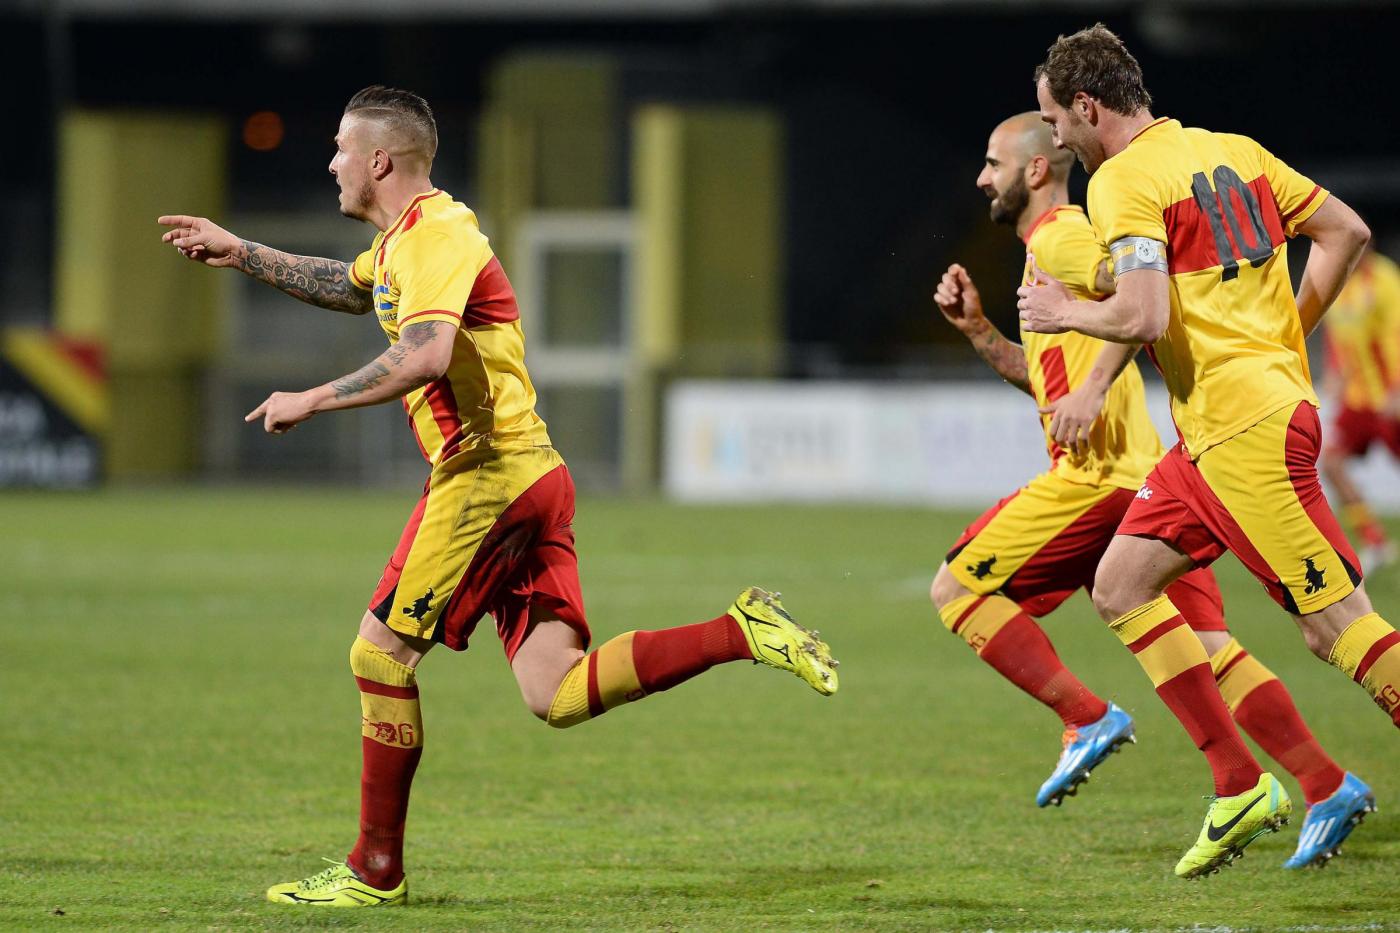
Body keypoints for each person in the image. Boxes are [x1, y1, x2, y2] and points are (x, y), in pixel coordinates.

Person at [159, 85, 838, 908]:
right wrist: (241, 251)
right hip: (533, 476)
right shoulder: (406, 242)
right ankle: (741, 631)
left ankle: (375, 869)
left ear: (380, 160)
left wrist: (313, 397)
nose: (332, 162)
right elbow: (352, 286)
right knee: (555, 691)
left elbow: (425, 353)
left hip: (485, 476)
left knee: (379, 654)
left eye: (341, 148)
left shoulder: (438, 236)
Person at [932, 114, 1364, 871]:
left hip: (1101, 478)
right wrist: (981, 334)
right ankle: (1323, 784)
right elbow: (1052, 379)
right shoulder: (1045, 255)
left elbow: (1140, 298)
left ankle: (1086, 717)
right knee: (1207, 647)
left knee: (957, 588)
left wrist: (1097, 384)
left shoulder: (1063, 236)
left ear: (1035, 170)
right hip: (1151, 478)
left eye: (993, 162)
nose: (981, 177)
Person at [1019, 25, 1390, 878]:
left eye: (1058, 119)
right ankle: (1239, 784)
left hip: (1244, 430)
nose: (1058, 137)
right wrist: (1287, 336)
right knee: (1120, 584)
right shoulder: (1234, 151)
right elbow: (1347, 232)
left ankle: (1301, 783)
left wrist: (1064, 312)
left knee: (1336, 627)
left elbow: (1144, 313)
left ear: (1087, 105)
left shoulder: (1122, 181)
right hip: (1219, 430)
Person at [1320, 247, 1400, 568]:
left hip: (1389, 398)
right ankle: (1374, 540)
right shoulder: (1337, 280)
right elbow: (1335, 334)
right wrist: (1334, 370)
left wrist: (1396, 388)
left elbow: (1396, 333)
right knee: (1332, 462)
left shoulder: (1384, 278)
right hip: (1357, 400)